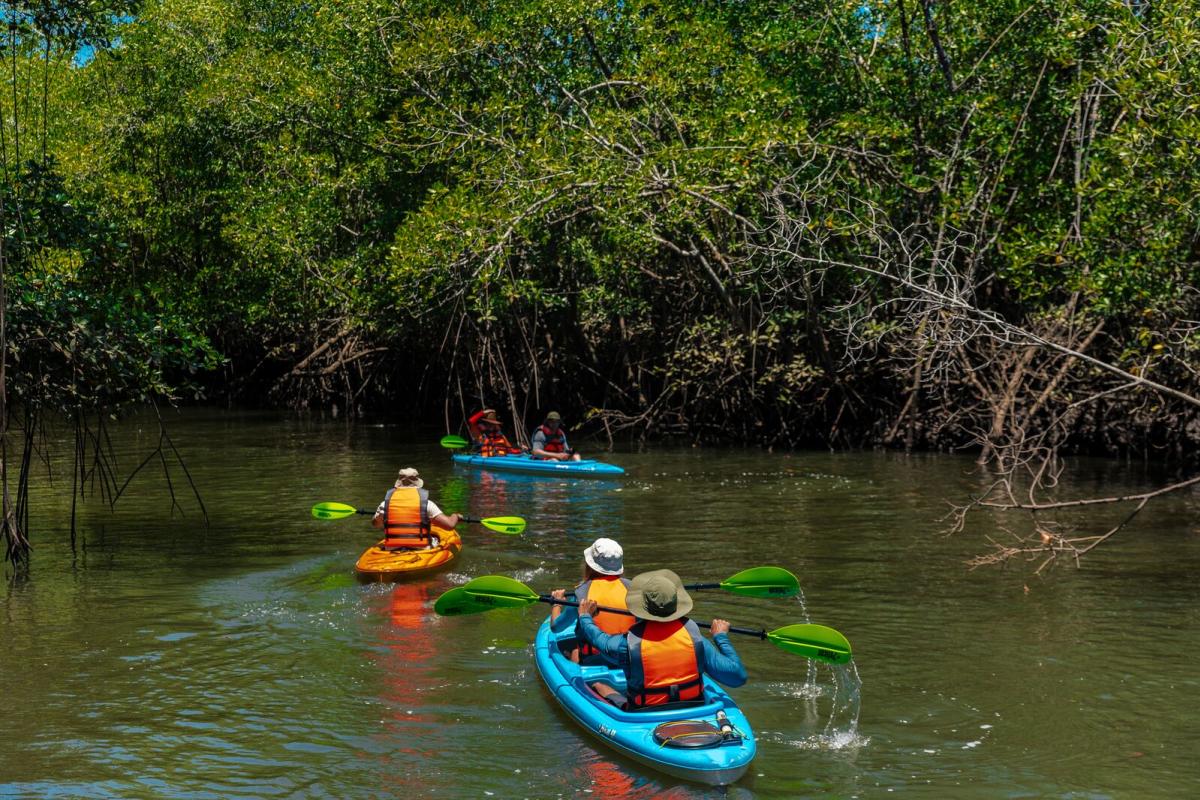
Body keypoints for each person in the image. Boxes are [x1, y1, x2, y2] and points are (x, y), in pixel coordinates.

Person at [577, 569, 746, 710]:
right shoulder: (696, 639)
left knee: (600, 685)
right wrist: (721, 637)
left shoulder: (627, 645)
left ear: (641, 607)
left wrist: (585, 617)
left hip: (643, 713)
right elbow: (737, 677)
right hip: (694, 708)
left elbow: (600, 640)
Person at [549, 538, 634, 662]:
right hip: (630, 657)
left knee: (574, 649)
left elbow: (556, 627)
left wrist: (557, 603)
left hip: (595, 659)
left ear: (589, 566)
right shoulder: (633, 588)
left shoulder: (581, 594)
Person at [372, 468, 463, 550]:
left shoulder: (385, 504)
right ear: (417, 484)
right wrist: (455, 516)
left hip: (392, 548)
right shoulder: (427, 504)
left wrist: (381, 516)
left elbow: (376, 525)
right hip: (421, 548)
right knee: (437, 540)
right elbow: (449, 525)